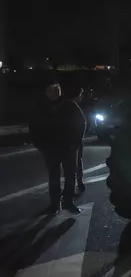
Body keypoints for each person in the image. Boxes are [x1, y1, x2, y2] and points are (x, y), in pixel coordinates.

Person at [29, 79, 81, 214]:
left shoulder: (69, 104)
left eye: (58, 89)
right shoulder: (40, 107)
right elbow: (33, 127)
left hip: (68, 148)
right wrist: (40, 145)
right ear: (47, 91)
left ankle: (69, 202)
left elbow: (81, 123)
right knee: (54, 177)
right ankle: (55, 204)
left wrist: (75, 143)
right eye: (53, 89)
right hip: (50, 148)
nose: (56, 92)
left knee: (70, 176)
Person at [62, 85, 87, 193]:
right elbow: (82, 123)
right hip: (73, 141)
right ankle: (72, 189)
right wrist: (78, 139)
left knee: (72, 165)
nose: (82, 97)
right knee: (73, 166)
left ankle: (75, 185)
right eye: (81, 94)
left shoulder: (66, 105)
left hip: (70, 140)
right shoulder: (72, 106)